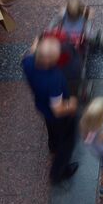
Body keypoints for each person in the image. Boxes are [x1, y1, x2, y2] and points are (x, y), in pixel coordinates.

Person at [22, 37, 78, 183]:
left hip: (42, 107)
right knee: (66, 141)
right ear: (50, 61)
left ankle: (52, 145)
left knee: (52, 130)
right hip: (58, 116)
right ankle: (58, 172)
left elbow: (33, 49)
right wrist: (71, 104)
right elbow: (58, 109)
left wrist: (37, 40)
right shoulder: (54, 78)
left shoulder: (28, 62)